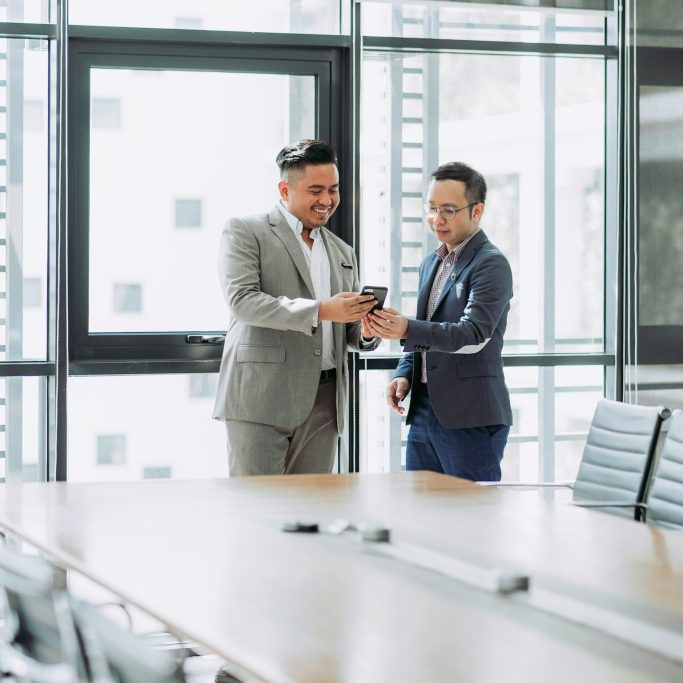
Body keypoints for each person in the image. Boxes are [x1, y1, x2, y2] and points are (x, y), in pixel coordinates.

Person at [212, 139, 379, 476]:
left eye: (333, 189)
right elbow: (243, 302)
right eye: (315, 190)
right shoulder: (246, 232)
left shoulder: (343, 252)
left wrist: (366, 331)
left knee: (312, 512)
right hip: (261, 395)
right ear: (284, 189)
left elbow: (345, 330)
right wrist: (321, 310)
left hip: (326, 401)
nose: (327, 200)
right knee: (258, 510)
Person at [366, 161, 513, 481]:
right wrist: (405, 372)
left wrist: (406, 328)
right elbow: (427, 329)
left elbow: (473, 334)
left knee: (471, 520)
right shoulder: (431, 262)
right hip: (423, 412)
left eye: (448, 209)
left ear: (477, 211)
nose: (437, 219)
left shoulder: (491, 264)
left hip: (469, 416)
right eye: (431, 208)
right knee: (423, 515)